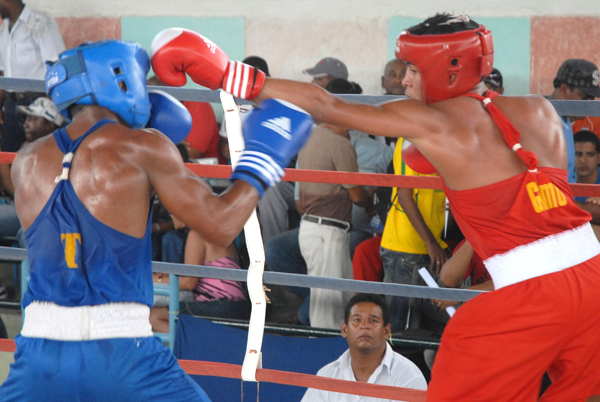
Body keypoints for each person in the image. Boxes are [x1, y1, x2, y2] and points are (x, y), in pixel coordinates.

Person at [151, 14, 600, 400]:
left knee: (459, 368)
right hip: (590, 273)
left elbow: (326, 106)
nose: (404, 80)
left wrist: (228, 73)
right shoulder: (541, 110)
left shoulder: (433, 121)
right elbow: (533, 205)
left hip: (531, 295)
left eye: (411, 69)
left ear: (447, 67)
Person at [1, 39, 313, 402]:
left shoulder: (26, 161)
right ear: (119, 80)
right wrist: (264, 159)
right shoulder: (143, 146)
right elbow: (222, 224)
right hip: (121, 350)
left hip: (40, 350)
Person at [296, 78, 373, 329]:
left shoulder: (310, 136)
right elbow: (357, 196)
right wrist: (373, 200)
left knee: (337, 300)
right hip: (327, 231)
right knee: (328, 307)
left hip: (314, 228)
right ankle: (321, 361)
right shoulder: (340, 144)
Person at [300, 293, 427, 401]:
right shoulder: (326, 376)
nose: (364, 326)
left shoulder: (409, 377)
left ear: (386, 331)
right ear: (344, 330)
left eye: (373, 321)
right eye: (357, 320)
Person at [0, 0, 65, 153]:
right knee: (11, 159)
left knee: (40, 158)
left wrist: (48, 109)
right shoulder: (4, 31)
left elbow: (57, 66)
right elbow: (2, 73)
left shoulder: (40, 24)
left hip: (38, 106)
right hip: (11, 106)